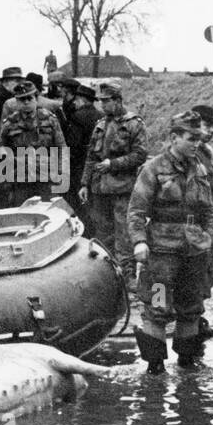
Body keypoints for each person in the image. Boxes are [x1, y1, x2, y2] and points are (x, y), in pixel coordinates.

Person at [127, 111, 213, 374]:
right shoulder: (153, 168)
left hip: (194, 253)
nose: (196, 144)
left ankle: (187, 364)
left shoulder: (200, 167)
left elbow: (209, 211)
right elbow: (136, 211)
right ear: (173, 138)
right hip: (162, 254)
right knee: (157, 307)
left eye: (199, 139)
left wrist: (209, 239)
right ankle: (155, 368)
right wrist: (139, 242)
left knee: (191, 307)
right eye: (191, 138)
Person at [78, 79, 148, 289]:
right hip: (100, 189)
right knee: (103, 233)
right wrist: (84, 184)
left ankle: (127, 277)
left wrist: (113, 163)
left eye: (107, 101)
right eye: (101, 101)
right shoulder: (100, 125)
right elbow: (91, 156)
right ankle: (107, 277)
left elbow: (140, 155)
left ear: (118, 101)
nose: (103, 105)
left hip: (123, 188)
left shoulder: (134, 124)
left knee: (124, 234)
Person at [0, 81, 67, 207]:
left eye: (29, 98)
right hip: (21, 179)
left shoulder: (50, 119)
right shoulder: (9, 123)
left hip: (47, 177)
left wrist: (62, 173)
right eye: (22, 99)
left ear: (36, 99)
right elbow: (0, 145)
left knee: (49, 211)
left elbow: (61, 148)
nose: (26, 102)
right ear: (16, 102)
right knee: (23, 214)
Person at [189, 104, 213, 340]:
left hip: (208, 225)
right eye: (206, 125)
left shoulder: (204, 152)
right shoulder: (190, 154)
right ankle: (191, 323)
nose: (210, 130)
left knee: (206, 273)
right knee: (196, 274)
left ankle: (196, 318)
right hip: (196, 227)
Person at [60, 80, 101, 223]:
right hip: (96, 165)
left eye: (76, 100)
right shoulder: (100, 115)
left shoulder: (78, 117)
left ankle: (84, 228)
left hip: (79, 166)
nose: (74, 103)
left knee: (78, 200)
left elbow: (72, 145)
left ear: (82, 100)